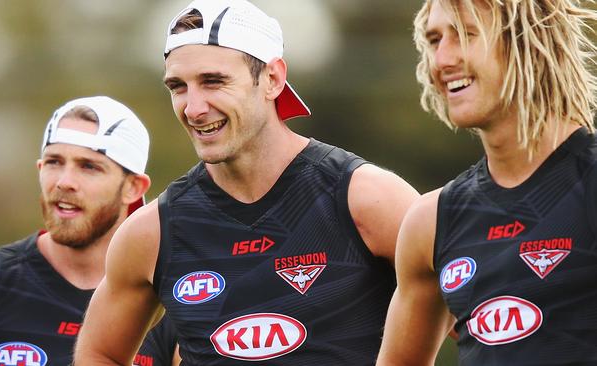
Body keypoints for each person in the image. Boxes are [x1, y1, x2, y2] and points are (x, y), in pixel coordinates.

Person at [73, 0, 419, 365]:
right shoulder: (153, 232)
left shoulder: (366, 198)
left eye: (213, 82)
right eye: (178, 87)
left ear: (272, 79)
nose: (193, 108)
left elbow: (471, 318)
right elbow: (101, 353)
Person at [376, 0, 597, 365]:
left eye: (465, 35)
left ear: (527, 41)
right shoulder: (430, 222)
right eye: (434, 40)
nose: (442, 60)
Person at [0, 96, 180, 366]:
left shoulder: (174, 299)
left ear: (133, 188)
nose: (64, 182)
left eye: (89, 166)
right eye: (54, 162)